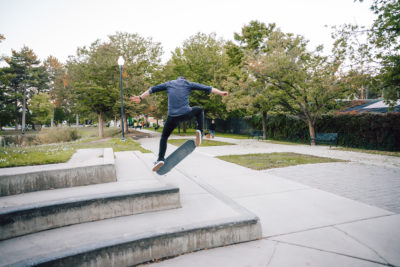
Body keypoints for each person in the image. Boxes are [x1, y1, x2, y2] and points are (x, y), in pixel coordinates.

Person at [131, 76, 228, 171]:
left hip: (172, 117)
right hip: (186, 113)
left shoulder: (169, 84)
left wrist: (140, 97)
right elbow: (207, 88)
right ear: (184, 80)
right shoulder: (188, 84)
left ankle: (160, 159)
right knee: (199, 110)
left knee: (164, 137)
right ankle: (200, 131)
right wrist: (221, 93)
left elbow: (152, 89)